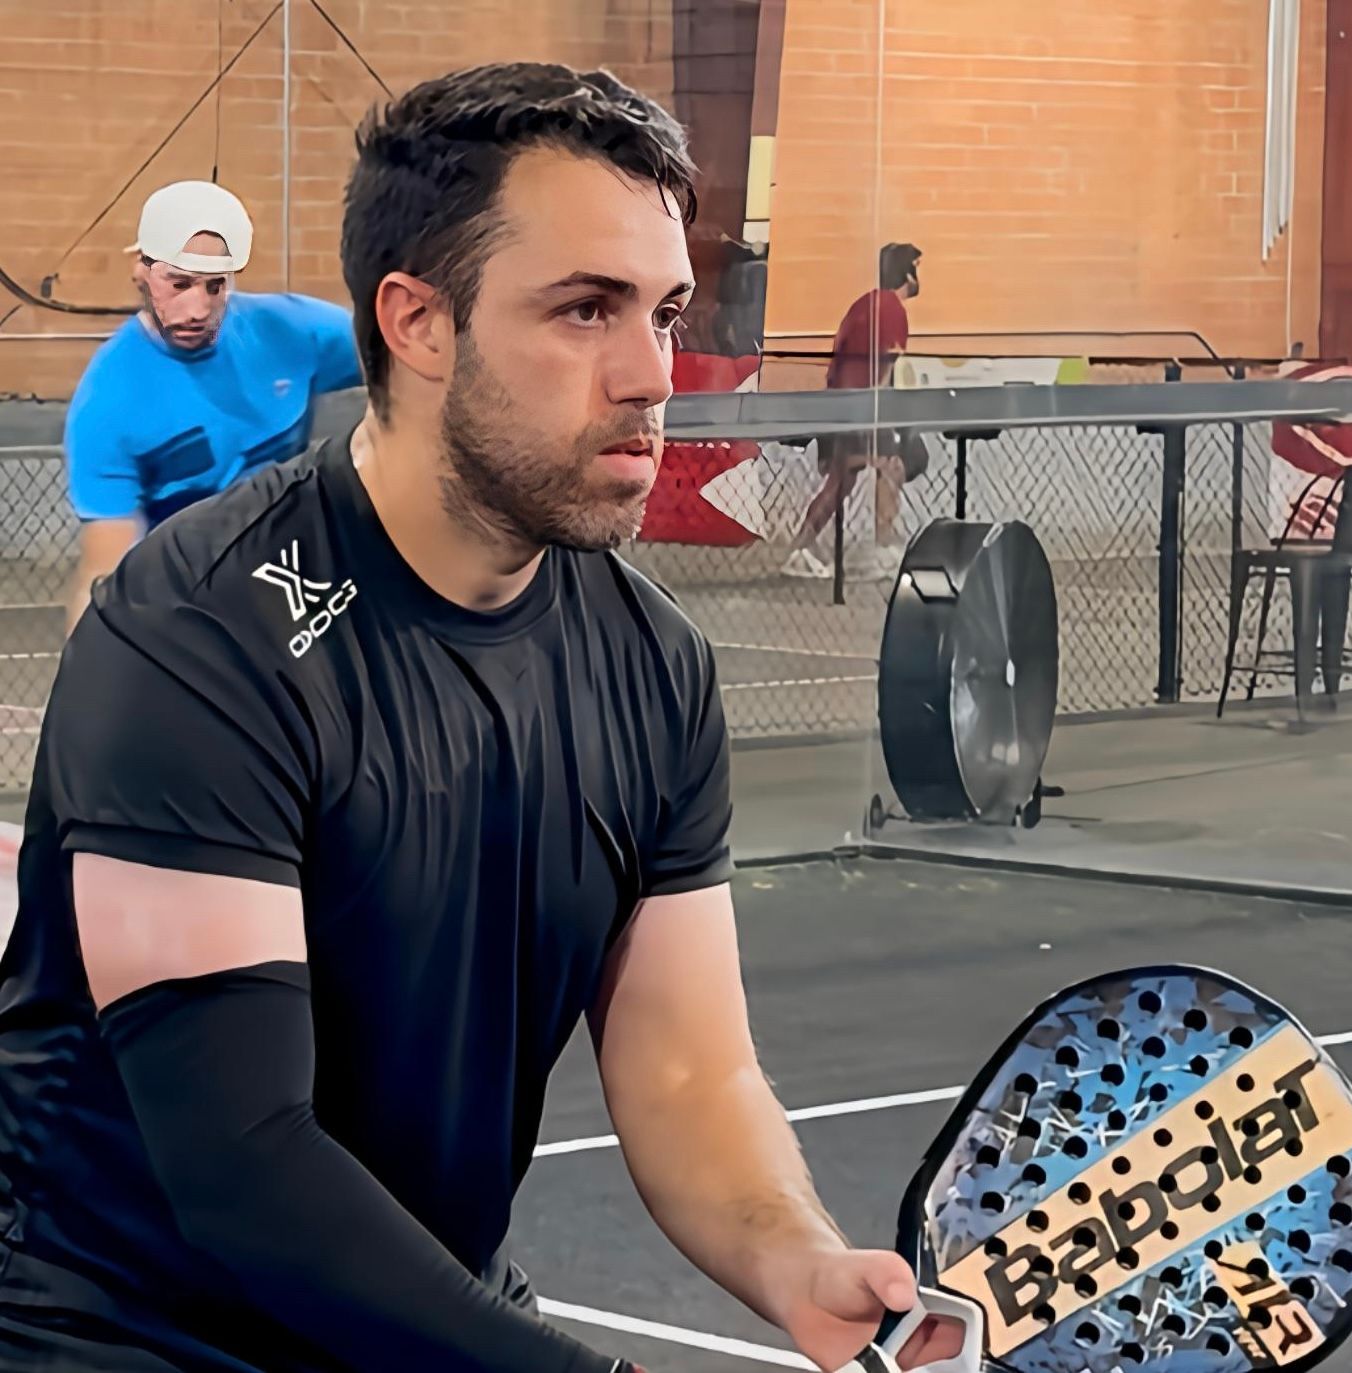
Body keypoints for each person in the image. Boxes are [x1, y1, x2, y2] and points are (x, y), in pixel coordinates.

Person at [0, 64, 961, 1373]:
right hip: (135, 1336)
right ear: (418, 322)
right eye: (583, 310)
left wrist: (796, 1260)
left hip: (429, 1320)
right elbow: (244, 1162)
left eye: (664, 312)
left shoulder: (652, 665)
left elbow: (689, 1076)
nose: (649, 375)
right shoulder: (198, 641)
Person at [61, 179, 364, 631]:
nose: (197, 308)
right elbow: (105, 577)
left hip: (300, 579)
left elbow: (411, 356)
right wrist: (86, 691)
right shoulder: (107, 406)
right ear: (140, 270)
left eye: (214, 287)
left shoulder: (294, 332)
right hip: (192, 607)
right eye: (179, 283)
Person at [782, 242, 927, 580]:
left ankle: (800, 548)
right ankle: (883, 549)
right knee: (891, 466)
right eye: (917, 268)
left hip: (843, 404)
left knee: (841, 481)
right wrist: (890, 421)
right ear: (907, 273)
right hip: (865, 405)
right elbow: (888, 369)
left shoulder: (866, 304)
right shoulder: (892, 309)